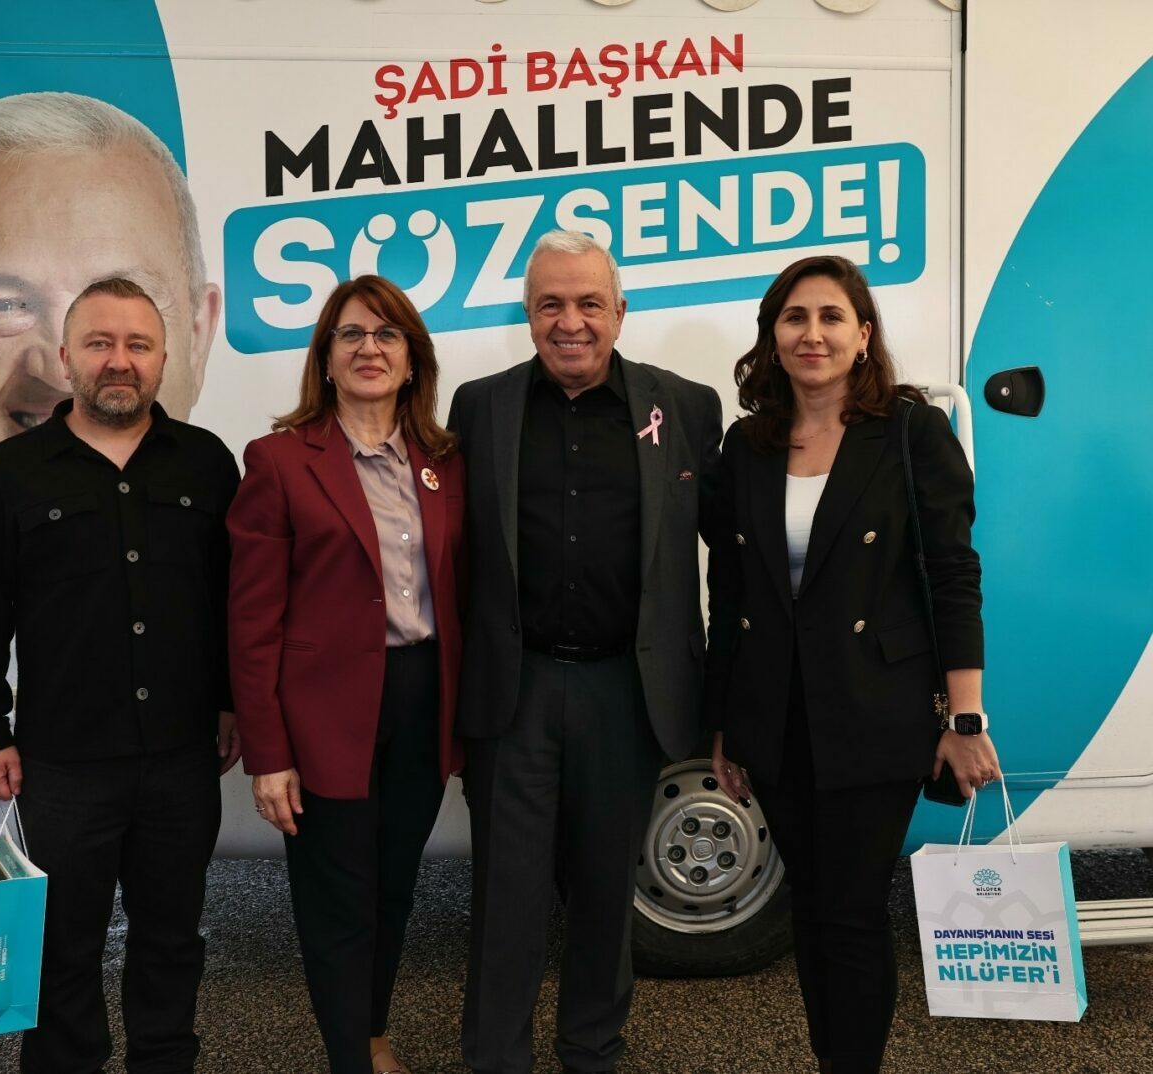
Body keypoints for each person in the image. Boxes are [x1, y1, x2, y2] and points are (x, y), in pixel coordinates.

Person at [705, 255, 1002, 1074]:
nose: (813, 334)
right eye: (795, 317)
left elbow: (953, 575)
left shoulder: (910, 433)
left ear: (863, 334)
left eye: (832, 316)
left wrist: (965, 717)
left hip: (877, 712)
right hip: (777, 716)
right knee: (810, 908)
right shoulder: (747, 445)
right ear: (772, 335)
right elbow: (730, 590)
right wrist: (724, 722)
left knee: (852, 912)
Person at [448, 230, 723, 1074]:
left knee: (606, 891)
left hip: (625, 688)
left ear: (620, 312)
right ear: (528, 315)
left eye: (588, 303)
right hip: (516, 686)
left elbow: (729, 549)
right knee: (507, 894)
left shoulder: (686, 408)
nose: (570, 322)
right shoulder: (479, 407)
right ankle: (497, 1059)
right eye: (551, 305)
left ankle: (592, 1049)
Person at [0, 277, 241, 1073]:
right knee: (61, 950)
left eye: (138, 345)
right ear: (67, 356)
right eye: (101, 343)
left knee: (171, 941)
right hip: (63, 765)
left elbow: (233, 598)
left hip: (182, 758)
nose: (120, 360)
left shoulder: (208, 463)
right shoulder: (12, 473)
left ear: (164, 358)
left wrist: (229, 701)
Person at [0, 90, 220, 716]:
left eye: (123, 300)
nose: (67, 367)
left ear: (197, 335)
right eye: (6, 305)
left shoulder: (246, 527)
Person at [227, 276, 464, 1074]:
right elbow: (251, 623)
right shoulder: (279, 461)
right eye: (352, 334)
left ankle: (371, 1033)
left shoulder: (443, 462)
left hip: (421, 698)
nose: (370, 348)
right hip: (323, 716)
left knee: (394, 887)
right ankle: (349, 1059)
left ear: (412, 359)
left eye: (387, 335)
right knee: (338, 901)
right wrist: (268, 753)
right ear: (325, 357)